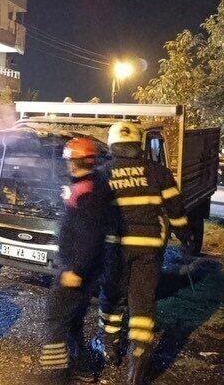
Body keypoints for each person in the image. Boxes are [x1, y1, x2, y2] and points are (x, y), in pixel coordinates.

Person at [94, 121, 189, 385]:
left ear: (112, 145)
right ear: (139, 145)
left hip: (116, 248)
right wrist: (184, 236)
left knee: (112, 297)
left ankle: (109, 349)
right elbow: (176, 210)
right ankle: (137, 370)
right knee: (142, 303)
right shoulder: (158, 172)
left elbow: (94, 214)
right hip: (149, 249)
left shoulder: (103, 173)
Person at [39, 137, 115, 384]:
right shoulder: (87, 184)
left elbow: (90, 235)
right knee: (72, 321)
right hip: (74, 266)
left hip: (75, 270)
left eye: (71, 160)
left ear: (81, 161)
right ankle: (82, 367)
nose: (68, 165)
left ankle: (54, 376)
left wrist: (75, 269)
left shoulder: (90, 190)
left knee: (55, 319)